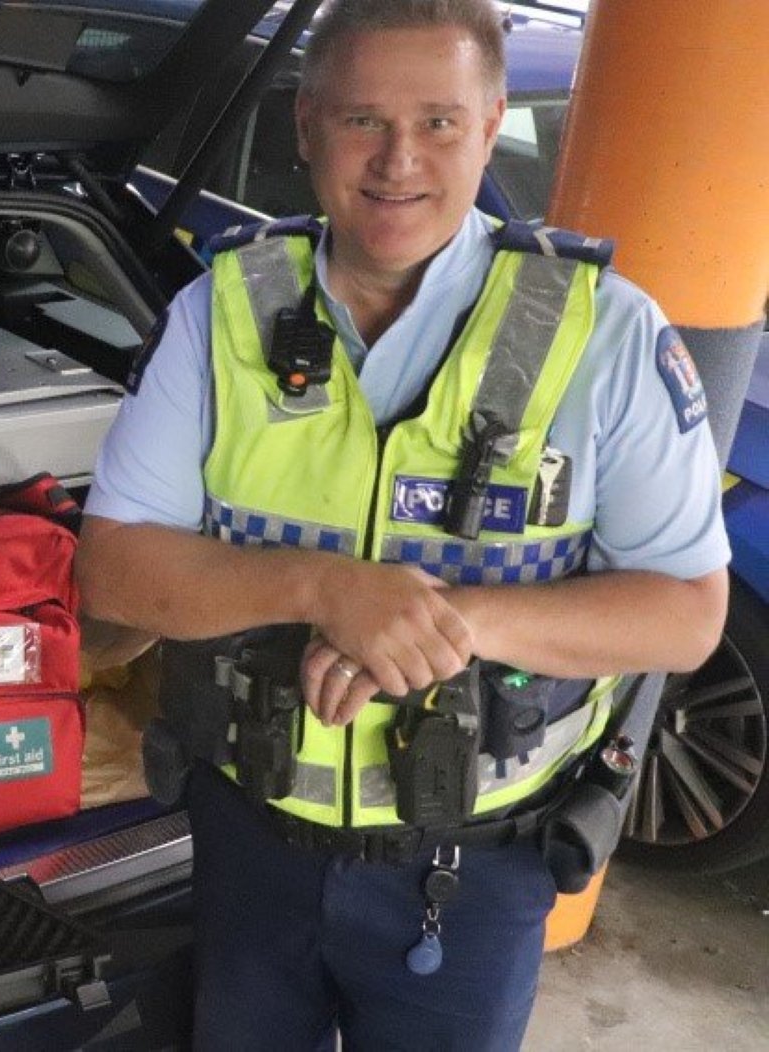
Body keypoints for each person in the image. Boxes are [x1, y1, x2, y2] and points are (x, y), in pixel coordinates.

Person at [74, 1, 728, 1048]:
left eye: (435, 121)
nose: (395, 161)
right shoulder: (220, 313)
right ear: (303, 127)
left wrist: (445, 622)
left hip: (473, 869)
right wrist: (322, 588)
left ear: (487, 123)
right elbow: (112, 573)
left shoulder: (601, 333)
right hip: (249, 842)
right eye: (360, 121)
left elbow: (684, 612)